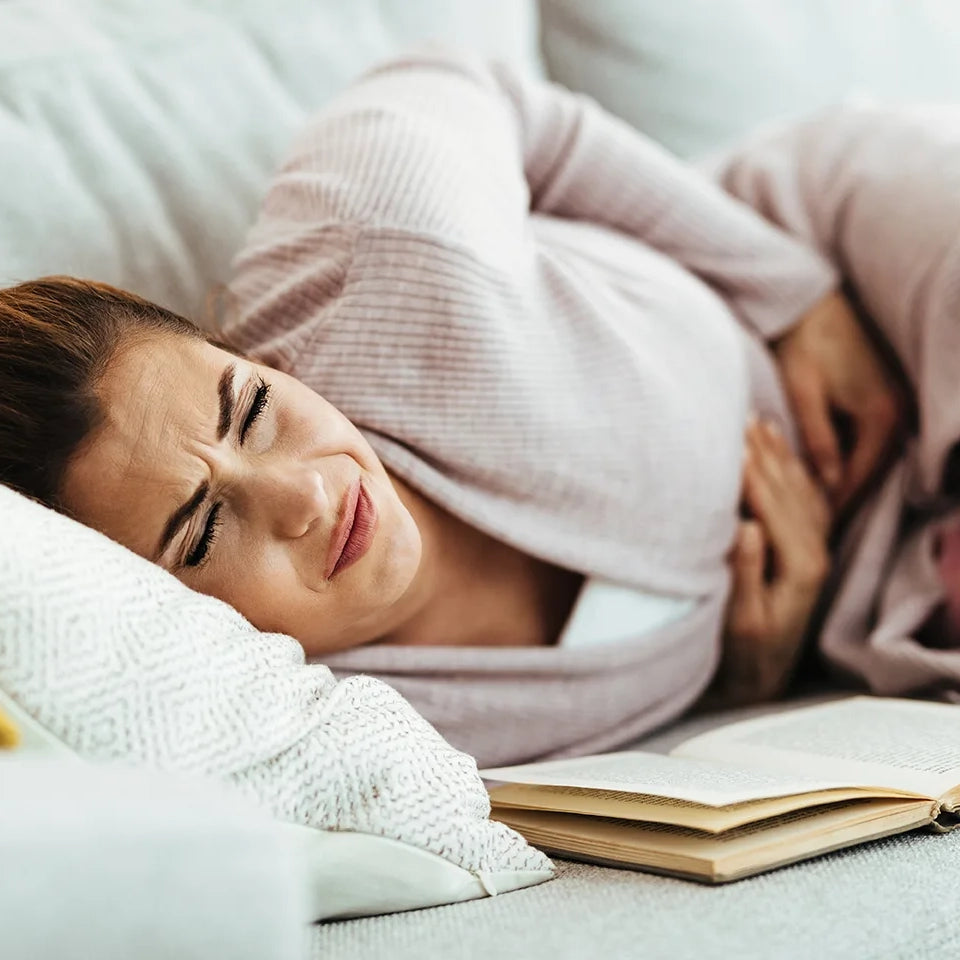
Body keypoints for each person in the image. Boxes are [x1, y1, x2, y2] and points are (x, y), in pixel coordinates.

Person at [0, 51, 906, 763]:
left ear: (244, 353)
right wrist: (750, 683)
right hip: (881, 569)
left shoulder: (368, 259)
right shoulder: (366, 731)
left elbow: (472, 86)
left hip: (841, 253)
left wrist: (795, 294)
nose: (303, 494)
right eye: (201, 534)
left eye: (253, 408)